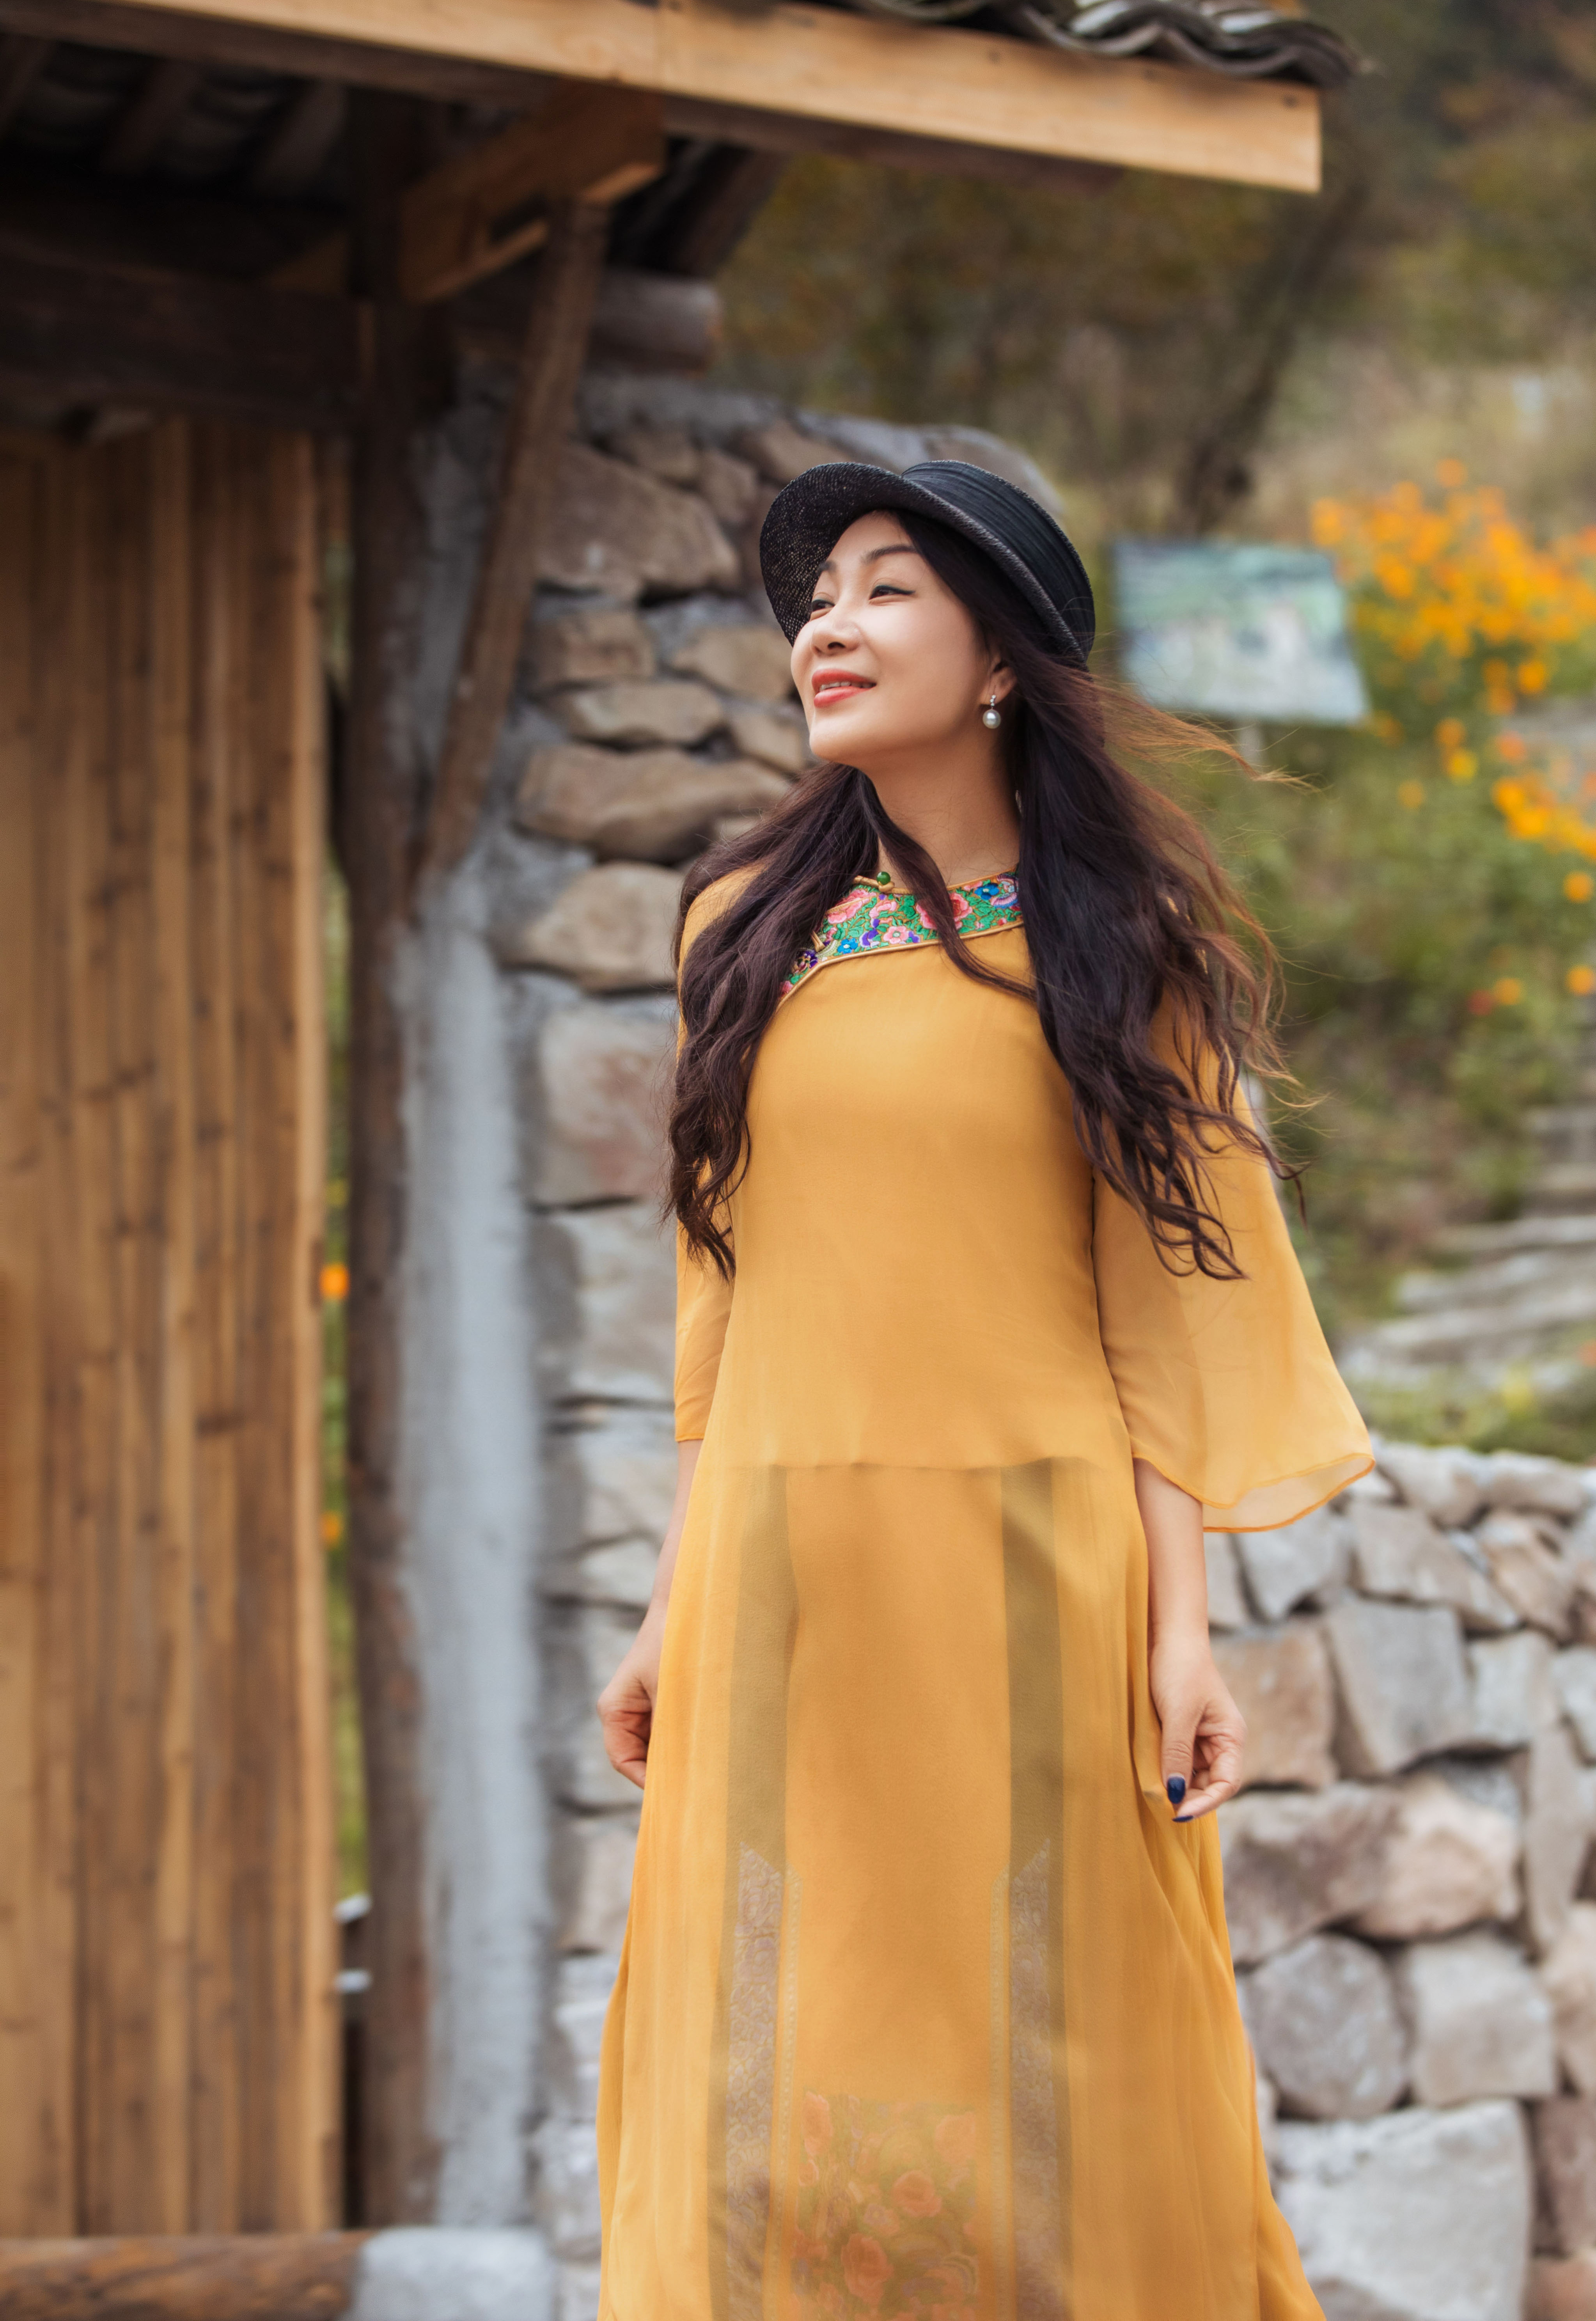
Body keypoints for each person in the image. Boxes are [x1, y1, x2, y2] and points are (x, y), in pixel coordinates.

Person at [594, 458, 1372, 2321]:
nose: (828, 629)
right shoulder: (741, 934)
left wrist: (1181, 1631)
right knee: (759, 2076)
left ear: (1002, 658)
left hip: (1029, 1575)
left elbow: (1166, 1309)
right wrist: (668, 1603)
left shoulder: (1121, 948)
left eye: (885, 591)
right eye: (817, 602)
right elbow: (723, 1300)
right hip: (782, 1582)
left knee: (1054, 2076)